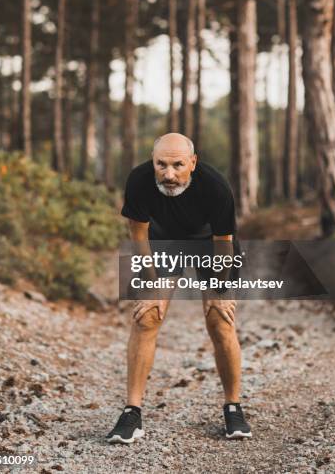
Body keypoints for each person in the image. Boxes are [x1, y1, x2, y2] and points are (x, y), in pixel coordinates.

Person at [106, 133, 251, 444]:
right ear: (152, 160)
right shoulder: (140, 180)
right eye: (161, 164)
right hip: (162, 241)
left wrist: (221, 289)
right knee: (146, 317)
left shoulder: (215, 186)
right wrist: (151, 282)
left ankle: (233, 407)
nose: (168, 174)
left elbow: (223, 241)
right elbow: (138, 233)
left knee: (220, 320)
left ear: (193, 163)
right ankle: (132, 413)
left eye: (177, 165)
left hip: (211, 243)